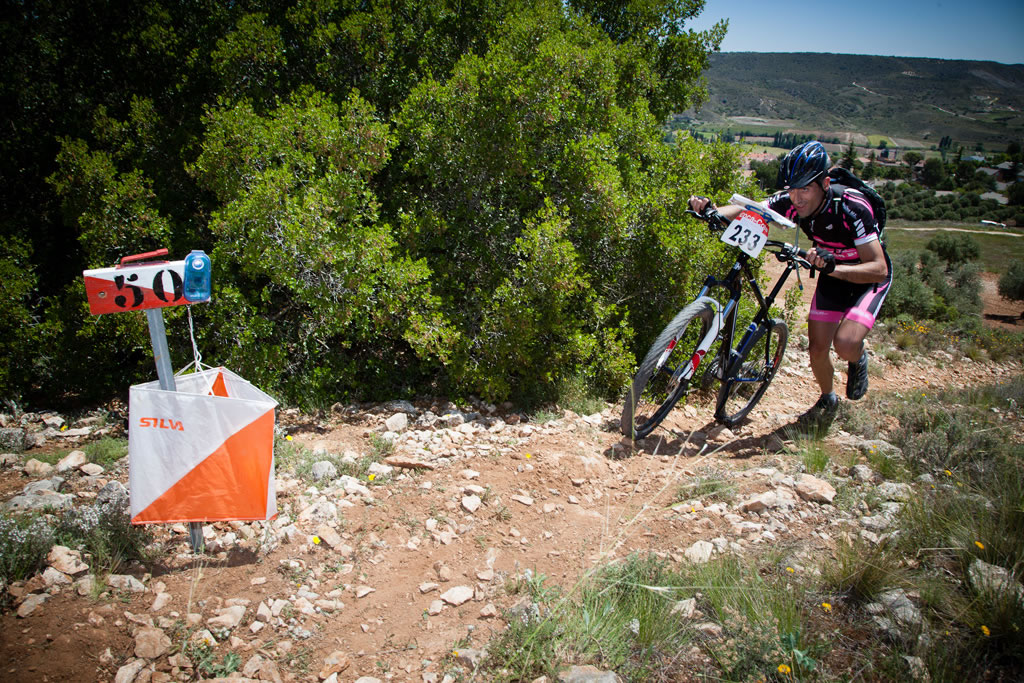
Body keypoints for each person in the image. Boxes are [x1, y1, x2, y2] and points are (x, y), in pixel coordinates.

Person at [688, 140, 892, 427]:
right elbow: (754, 210)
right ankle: (827, 398)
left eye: (805, 188)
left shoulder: (850, 206)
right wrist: (712, 210)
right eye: (792, 188)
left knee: (845, 344)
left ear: (825, 183)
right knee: (817, 350)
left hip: (866, 277)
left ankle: (857, 359)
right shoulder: (792, 200)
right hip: (831, 273)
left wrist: (835, 265)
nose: (797, 198)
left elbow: (879, 268)